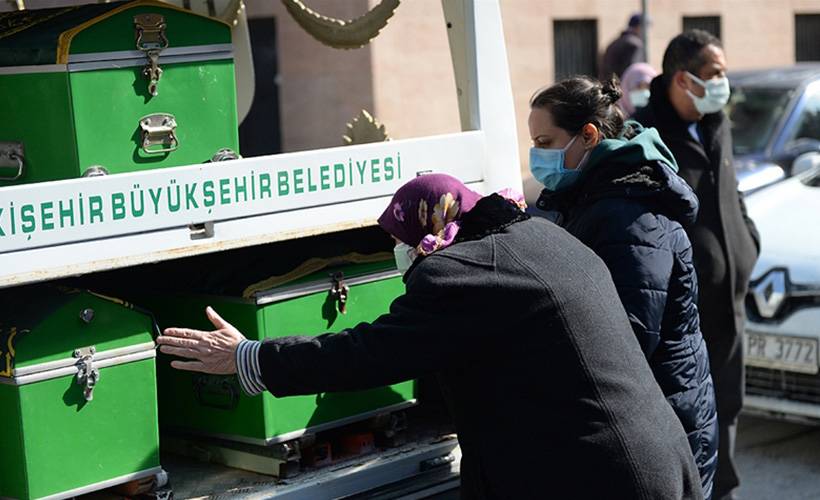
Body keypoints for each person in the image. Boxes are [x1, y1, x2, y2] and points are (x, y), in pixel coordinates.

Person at [157, 173, 703, 499]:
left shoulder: (461, 274)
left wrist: (250, 357)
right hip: (656, 459)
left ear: (429, 229)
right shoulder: (540, 236)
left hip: (595, 479)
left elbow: (368, 353)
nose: (400, 253)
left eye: (400, 239)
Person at [529, 76, 718, 499]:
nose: (537, 156)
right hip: (651, 418)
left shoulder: (628, 214)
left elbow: (628, 338)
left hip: (664, 425)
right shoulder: (598, 196)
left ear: (588, 135)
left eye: (545, 142)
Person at [633, 30, 760, 500]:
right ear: (683, 80)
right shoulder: (645, 137)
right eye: (715, 74)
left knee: (728, 407)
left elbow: (732, 191)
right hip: (686, 311)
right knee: (687, 418)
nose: (723, 83)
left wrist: (747, 243)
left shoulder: (714, 122)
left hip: (730, 300)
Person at [599, 13, 646, 81]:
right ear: (638, 27)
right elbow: (632, 73)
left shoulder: (616, 42)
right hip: (622, 85)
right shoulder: (634, 44)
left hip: (608, 84)